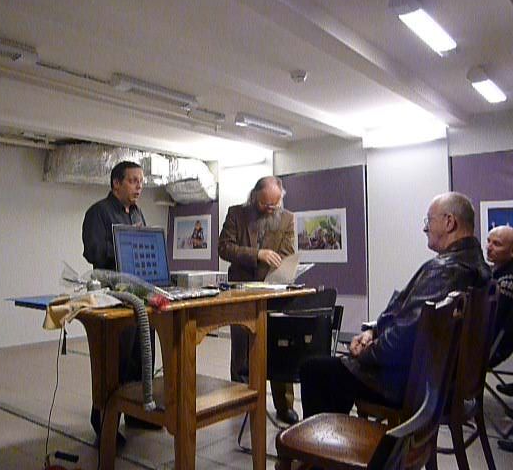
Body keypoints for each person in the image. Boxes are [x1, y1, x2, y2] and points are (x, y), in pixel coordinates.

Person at [299, 191, 491, 419]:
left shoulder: (445, 270)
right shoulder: (478, 265)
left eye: (429, 220)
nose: (425, 228)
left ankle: (327, 439)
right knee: (334, 370)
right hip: (440, 381)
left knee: (314, 370)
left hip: (411, 386)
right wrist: (373, 331)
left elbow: (402, 340)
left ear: (449, 222)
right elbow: (409, 324)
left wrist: (364, 354)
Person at [82, 160, 158, 434]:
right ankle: (104, 424)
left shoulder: (137, 212)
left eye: (141, 182)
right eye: (133, 181)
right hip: (113, 298)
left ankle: (138, 413)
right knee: (116, 362)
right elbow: (93, 251)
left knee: (142, 358)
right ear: (116, 183)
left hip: (138, 295)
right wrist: (126, 246)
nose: (139, 187)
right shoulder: (98, 212)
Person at [218, 176, 299, 424]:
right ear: (254, 197)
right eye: (265, 204)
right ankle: (241, 402)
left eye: (275, 204)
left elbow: (287, 253)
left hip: (272, 292)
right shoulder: (236, 214)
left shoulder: (287, 218)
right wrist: (257, 254)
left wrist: (278, 267)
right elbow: (224, 248)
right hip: (241, 292)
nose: (270, 209)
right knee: (241, 349)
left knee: (279, 346)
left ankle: (284, 405)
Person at [486, 225, 513, 395]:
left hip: (489, 350)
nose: (489, 247)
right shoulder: (495, 273)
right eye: (489, 241)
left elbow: (492, 324)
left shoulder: (506, 282)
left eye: (497, 244)